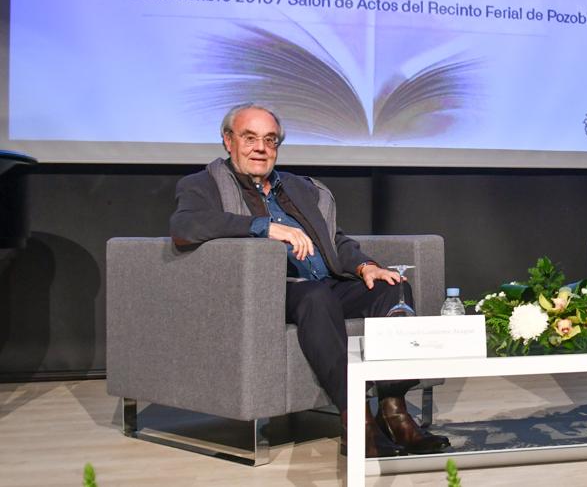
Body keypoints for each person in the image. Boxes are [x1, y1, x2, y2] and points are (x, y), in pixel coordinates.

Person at [169, 102, 449, 457]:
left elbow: (335, 240)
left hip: (326, 283)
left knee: (392, 287)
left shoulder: (302, 188)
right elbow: (184, 228)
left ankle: (395, 412)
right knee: (316, 297)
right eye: (250, 138)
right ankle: (356, 421)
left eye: (270, 140)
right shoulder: (203, 184)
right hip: (271, 291)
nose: (260, 148)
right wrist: (264, 227)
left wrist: (365, 267)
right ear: (228, 141)